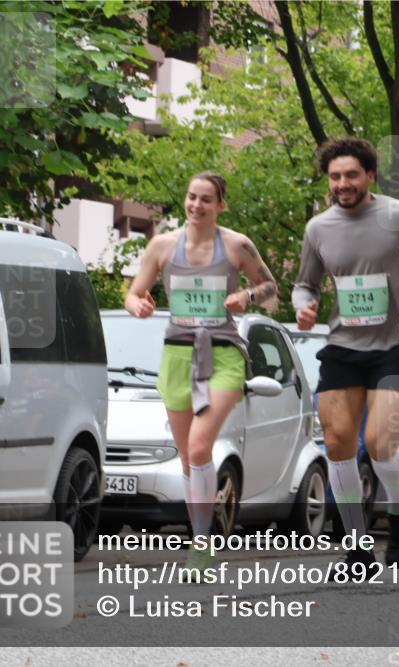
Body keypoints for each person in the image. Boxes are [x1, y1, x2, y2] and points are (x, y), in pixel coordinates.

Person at [292, 137, 399, 573]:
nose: (342, 184)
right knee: (338, 444)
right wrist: (302, 307)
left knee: (380, 443)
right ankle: (357, 547)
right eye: (334, 177)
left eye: (351, 175)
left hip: (395, 346)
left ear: (369, 176)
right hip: (344, 344)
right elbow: (305, 283)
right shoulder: (318, 228)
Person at [125, 171, 278, 572]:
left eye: (206, 199)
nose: (196, 205)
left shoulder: (237, 245)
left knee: (199, 448)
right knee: (188, 460)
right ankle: (201, 533)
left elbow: (271, 289)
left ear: (220, 205)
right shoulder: (162, 245)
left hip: (223, 352)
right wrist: (135, 304)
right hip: (176, 353)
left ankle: (201, 545)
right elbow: (134, 291)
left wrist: (247, 295)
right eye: (192, 197)